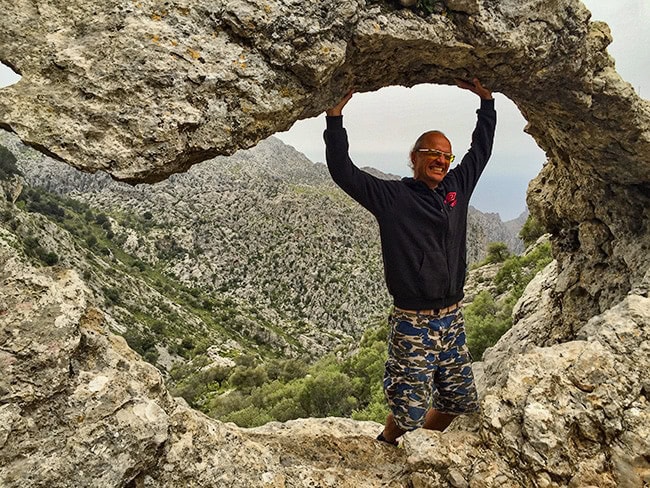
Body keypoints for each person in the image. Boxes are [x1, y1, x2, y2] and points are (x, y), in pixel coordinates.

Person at [323, 78, 496, 445]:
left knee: (459, 399)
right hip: (413, 323)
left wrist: (486, 102)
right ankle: (387, 444)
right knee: (408, 410)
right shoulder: (392, 197)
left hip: (452, 317)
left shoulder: (456, 188)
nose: (441, 160)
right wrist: (335, 119)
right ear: (414, 156)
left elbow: (480, 151)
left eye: (446, 156)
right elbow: (343, 171)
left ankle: (418, 449)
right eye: (432, 152)